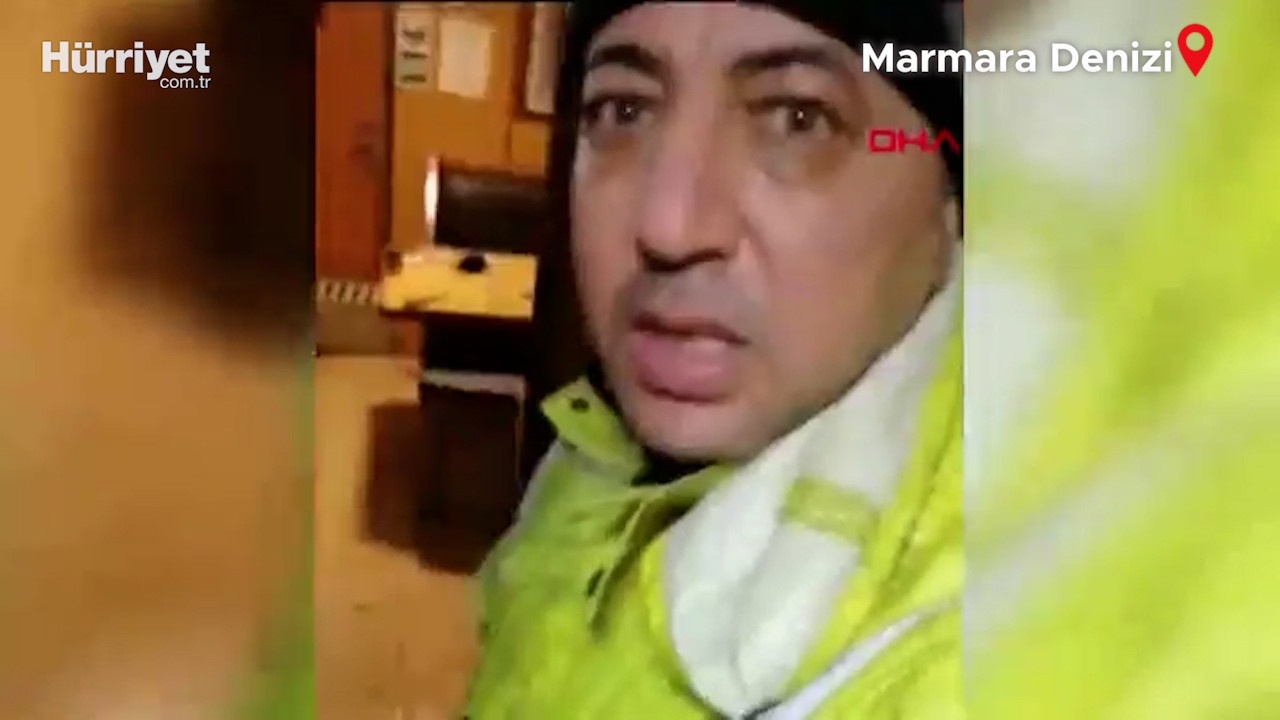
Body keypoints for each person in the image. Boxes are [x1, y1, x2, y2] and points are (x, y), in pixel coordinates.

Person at [468, 2, 964, 717]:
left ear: (952, 203)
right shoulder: (591, 448)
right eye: (623, 110)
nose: (668, 226)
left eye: (797, 118)